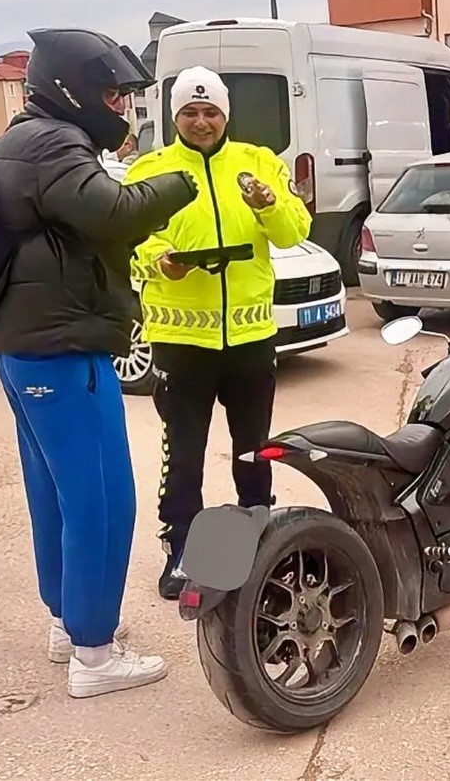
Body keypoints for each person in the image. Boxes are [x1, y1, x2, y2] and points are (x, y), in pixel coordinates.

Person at [0, 27, 198, 697]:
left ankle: (68, 624)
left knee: (55, 494)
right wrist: (181, 181)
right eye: (111, 94)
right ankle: (95, 655)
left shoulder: (24, 137)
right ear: (71, 89)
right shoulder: (55, 144)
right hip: (61, 349)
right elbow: (114, 213)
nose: (122, 107)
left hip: (28, 345)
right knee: (101, 501)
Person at [122, 66, 313, 600]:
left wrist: (269, 205)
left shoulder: (259, 162)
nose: (201, 122)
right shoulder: (150, 170)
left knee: (254, 449)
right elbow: (126, 243)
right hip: (182, 341)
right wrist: (162, 261)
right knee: (185, 452)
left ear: (225, 115)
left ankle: (257, 543)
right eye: (190, 112)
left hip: (250, 336)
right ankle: (182, 549)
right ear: (174, 117)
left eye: (210, 112)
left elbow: (295, 231)